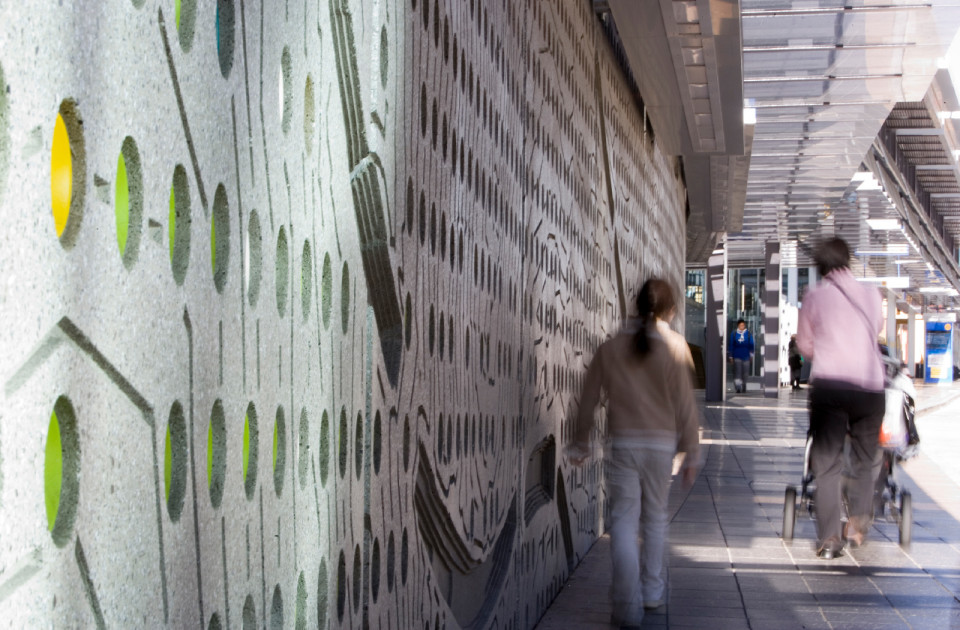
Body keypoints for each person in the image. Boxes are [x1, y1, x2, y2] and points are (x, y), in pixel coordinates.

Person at [569, 278, 700, 628]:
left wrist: (581, 441)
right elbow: (686, 406)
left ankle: (626, 606)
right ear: (669, 309)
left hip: (623, 445)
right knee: (655, 518)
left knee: (624, 523)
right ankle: (652, 592)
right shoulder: (674, 346)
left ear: (636, 305)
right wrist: (691, 451)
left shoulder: (611, 347)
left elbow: (588, 398)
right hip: (660, 447)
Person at [797, 237, 885, 559]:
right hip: (870, 387)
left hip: (831, 387)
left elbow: (806, 345)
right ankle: (858, 525)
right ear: (848, 260)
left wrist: (824, 348)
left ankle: (830, 540)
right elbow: (876, 331)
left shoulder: (815, 296)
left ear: (820, 266)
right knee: (866, 459)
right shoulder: (872, 295)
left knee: (827, 463)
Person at [728, 319, 754, 393]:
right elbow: (731, 345)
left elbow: (751, 345)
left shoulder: (748, 334)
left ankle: (744, 384)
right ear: (738, 326)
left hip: (746, 356)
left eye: (743, 325)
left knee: (745, 372)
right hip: (737, 356)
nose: (742, 326)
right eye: (740, 325)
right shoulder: (734, 334)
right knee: (737, 373)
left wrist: (751, 355)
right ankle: (738, 387)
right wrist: (730, 356)